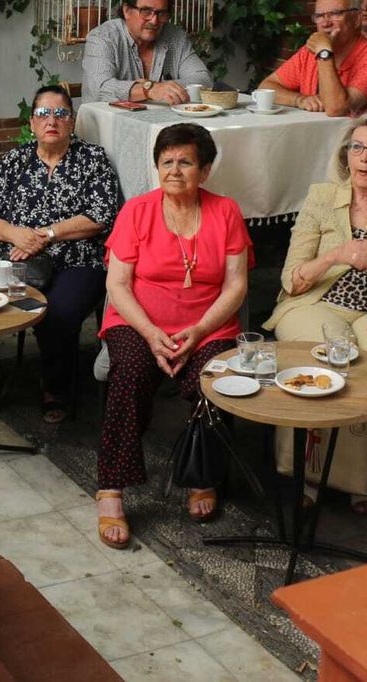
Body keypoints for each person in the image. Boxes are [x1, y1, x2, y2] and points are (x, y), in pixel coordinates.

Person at [265, 115, 367, 513]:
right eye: (357, 148)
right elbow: (293, 277)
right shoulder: (322, 198)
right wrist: (338, 254)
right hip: (316, 302)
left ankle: (361, 477)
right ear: (346, 156)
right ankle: (306, 471)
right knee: (316, 354)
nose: (365, 158)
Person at [95, 124, 251, 538]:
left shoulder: (226, 212)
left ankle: (203, 474)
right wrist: (149, 333)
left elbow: (236, 285)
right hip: (137, 321)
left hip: (207, 325)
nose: (175, 170)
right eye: (167, 162)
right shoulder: (137, 211)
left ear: (206, 170)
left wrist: (198, 331)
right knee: (129, 375)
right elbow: (117, 285)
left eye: (186, 162)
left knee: (216, 382)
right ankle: (111, 488)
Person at [0, 86, 123, 424]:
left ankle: (55, 386)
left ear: (72, 121)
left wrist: (46, 234)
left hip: (77, 256)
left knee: (59, 313)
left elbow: (100, 217)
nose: (51, 120)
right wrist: (16, 234)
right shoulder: (14, 160)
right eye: (42, 114)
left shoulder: (93, 160)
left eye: (60, 113)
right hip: (7, 250)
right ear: (32, 123)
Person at [259, 0, 367, 117]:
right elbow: (266, 87)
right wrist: (299, 99)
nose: (326, 23)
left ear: (357, 19)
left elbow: (336, 108)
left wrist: (324, 53)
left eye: (335, 14)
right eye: (319, 16)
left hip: (362, 141)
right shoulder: (309, 53)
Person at [82, 0, 213, 104]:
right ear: (126, 10)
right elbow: (100, 89)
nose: (154, 21)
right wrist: (149, 90)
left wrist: (157, 87)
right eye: (146, 11)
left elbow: (203, 80)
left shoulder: (175, 37)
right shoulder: (102, 38)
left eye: (161, 13)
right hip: (106, 123)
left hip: (163, 122)